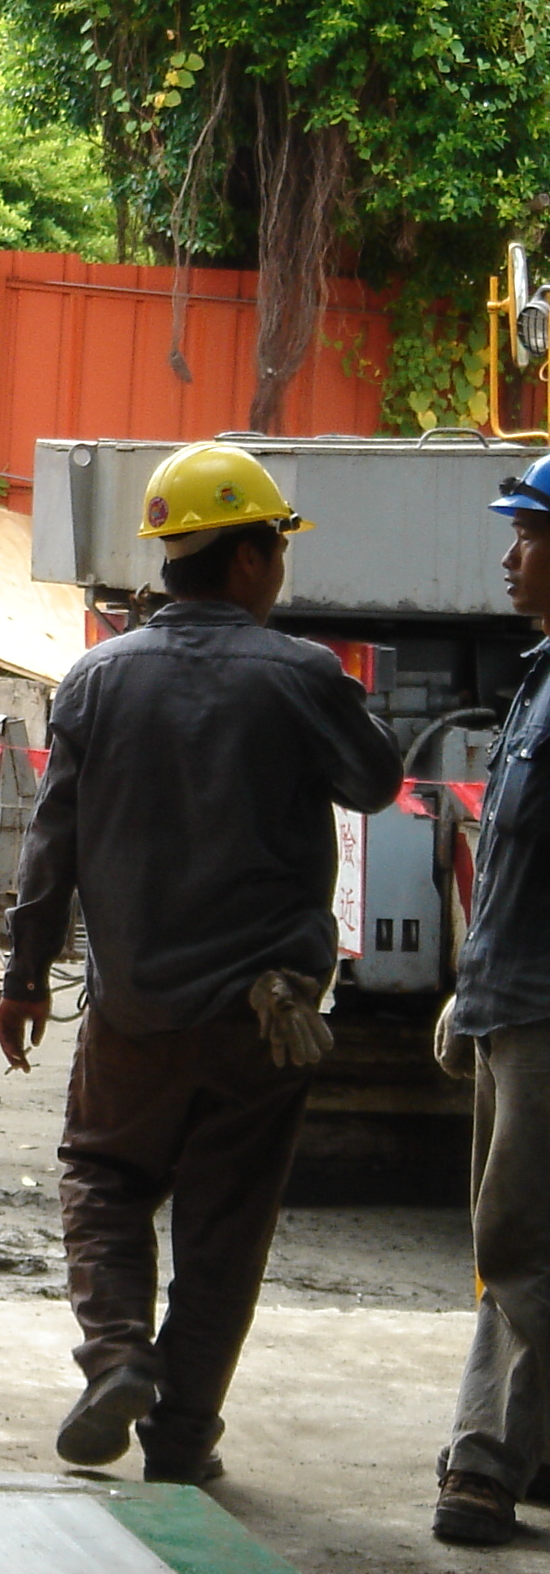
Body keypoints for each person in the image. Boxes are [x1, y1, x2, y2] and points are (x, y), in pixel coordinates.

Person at [0, 442, 400, 1486]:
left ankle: (120, 1354)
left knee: (103, 1173)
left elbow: (53, 842)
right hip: (265, 1011)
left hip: (136, 1006)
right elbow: (375, 782)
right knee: (227, 1225)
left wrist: (23, 975)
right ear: (251, 561)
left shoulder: (94, 676)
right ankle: (180, 1442)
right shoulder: (301, 674)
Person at [433, 455, 550, 1545]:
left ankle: (484, 1464)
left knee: (518, 1241)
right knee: (512, 1234)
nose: (509, 557)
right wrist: (470, 991)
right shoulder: (542, 675)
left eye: (529, 534)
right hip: (513, 1002)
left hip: (543, 1014)